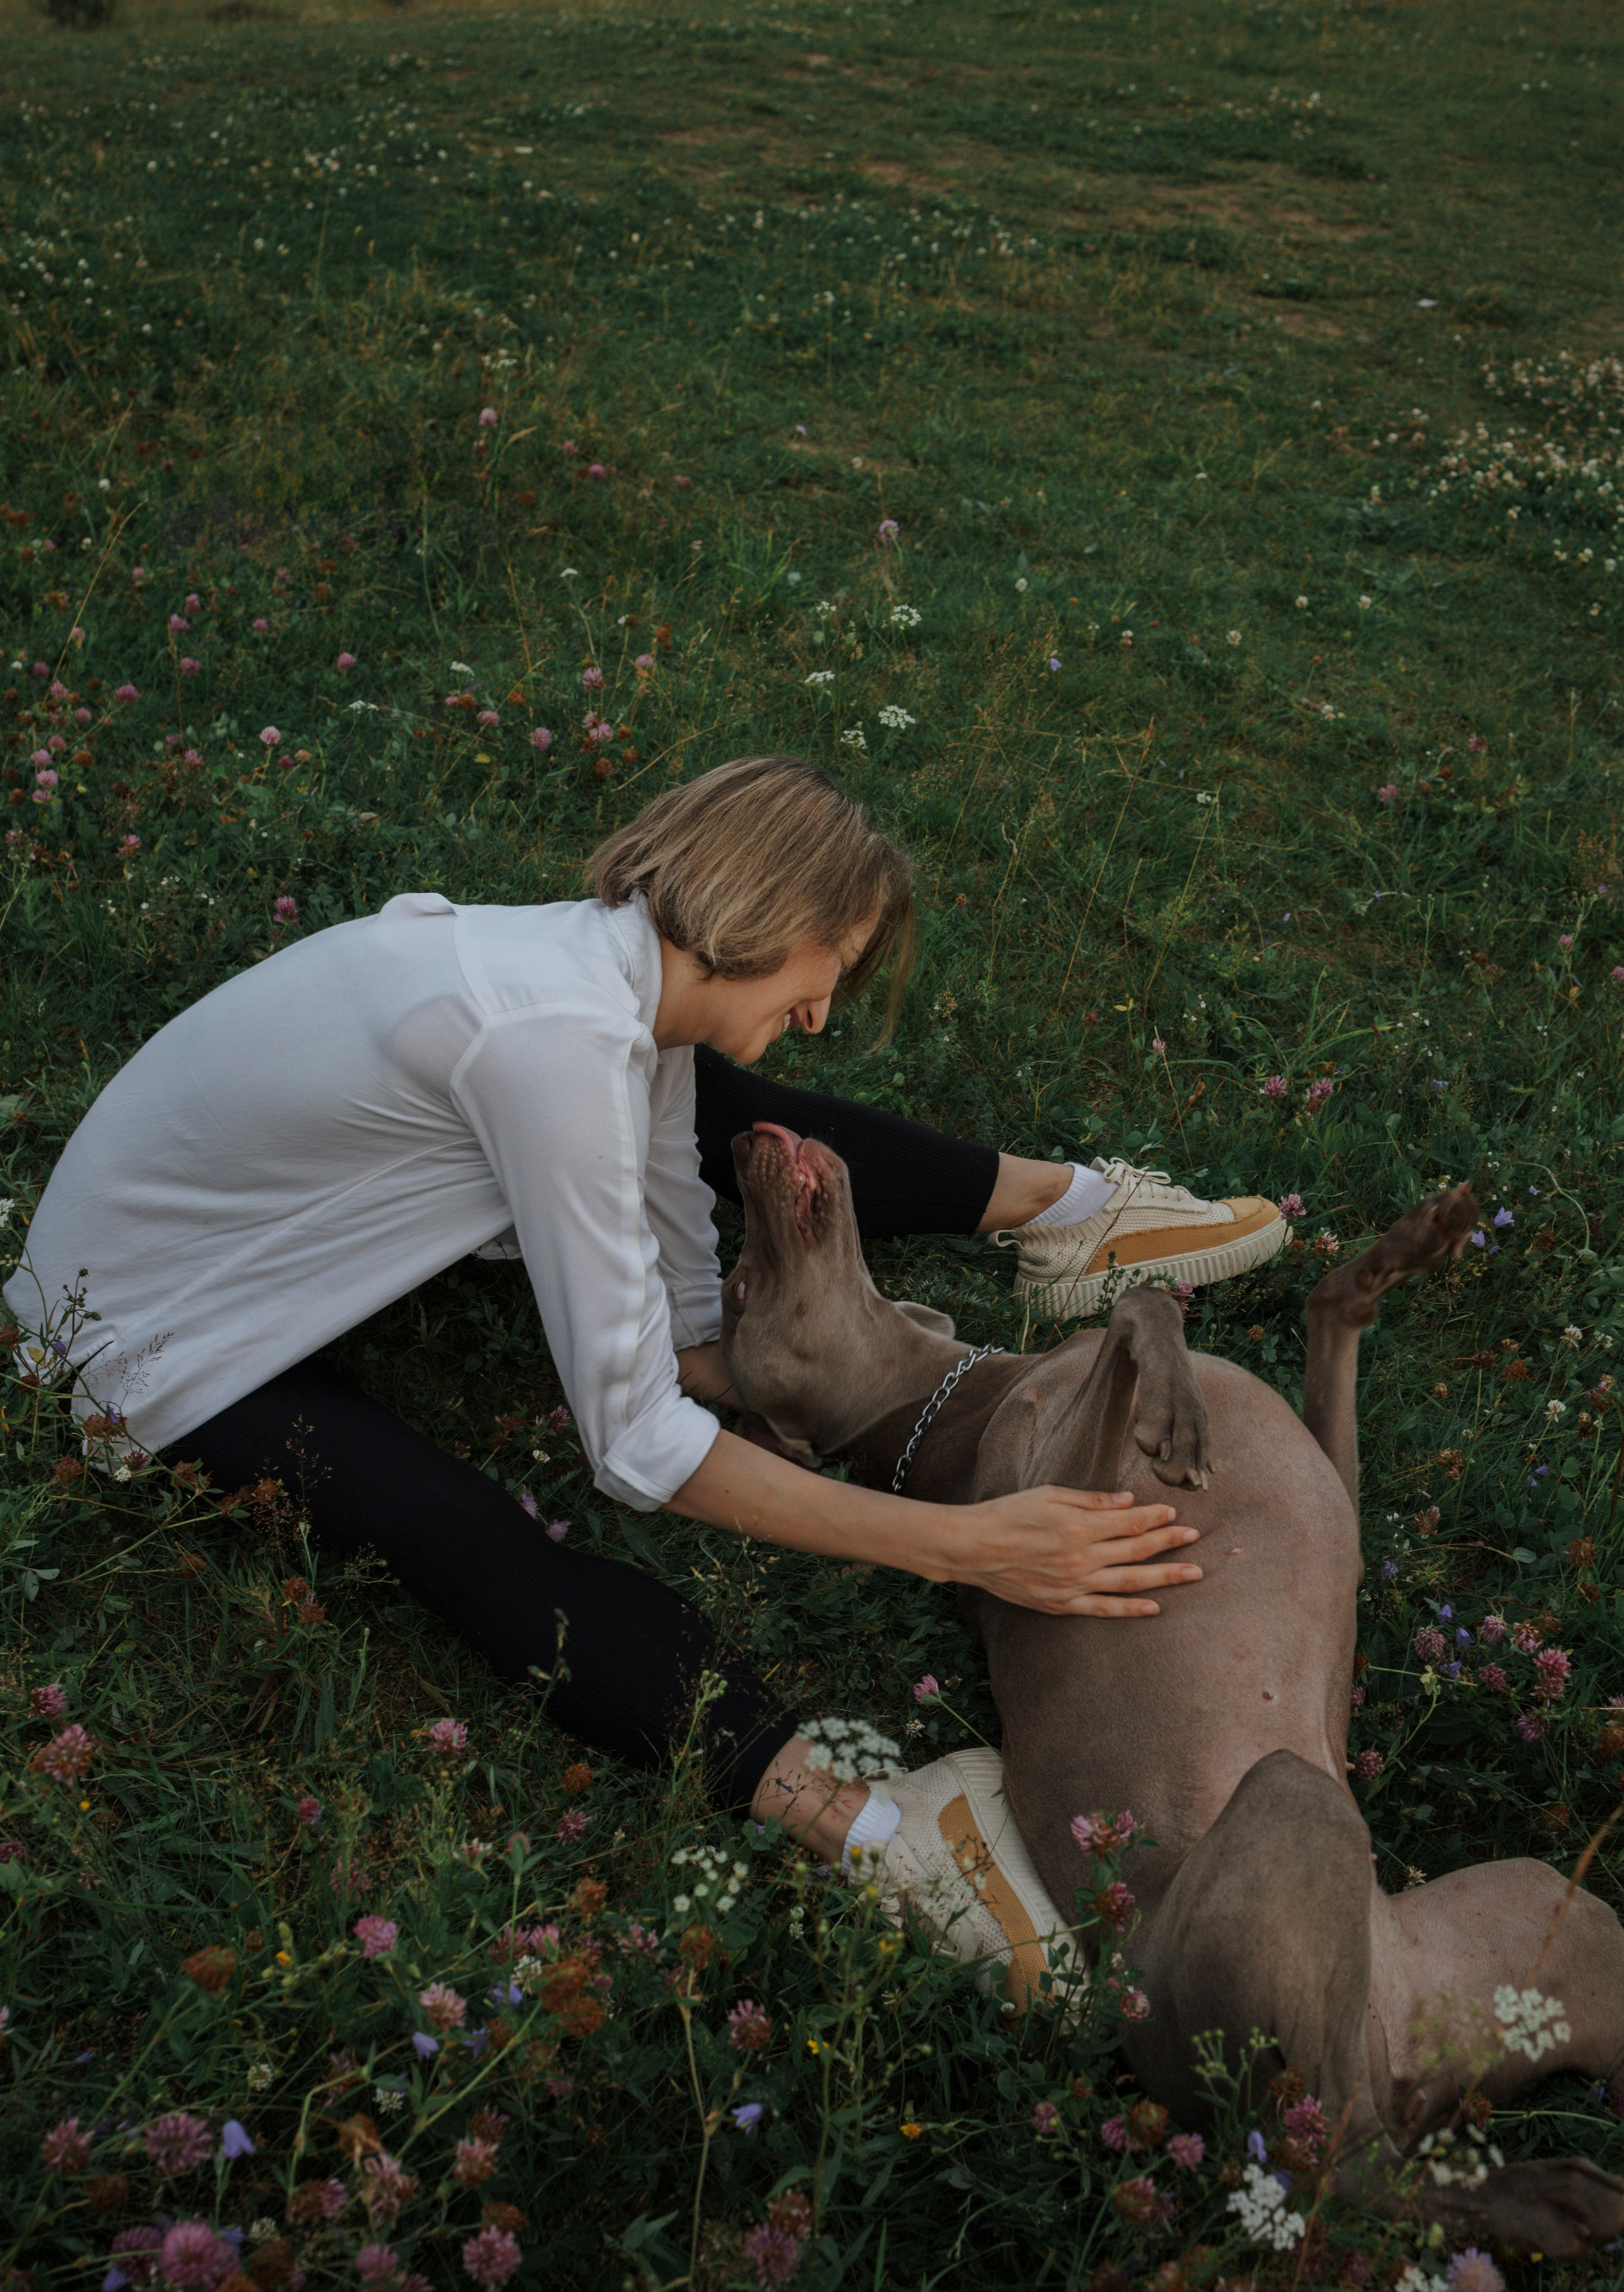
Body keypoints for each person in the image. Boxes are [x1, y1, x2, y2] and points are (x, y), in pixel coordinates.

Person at [4, 757, 1286, 1939]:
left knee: (723, 1094)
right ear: (758, 912)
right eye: (824, 967)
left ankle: (1071, 1218)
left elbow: (672, 1193)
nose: (825, 1009)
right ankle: (870, 1823)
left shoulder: (612, 977)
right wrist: (964, 1547)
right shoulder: (549, 1046)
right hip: (134, 1334)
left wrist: (720, 1364)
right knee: (449, 1528)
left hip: (219, 1241)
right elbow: (634, 1451)